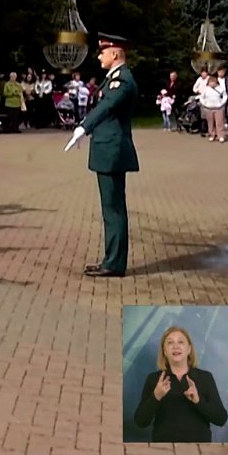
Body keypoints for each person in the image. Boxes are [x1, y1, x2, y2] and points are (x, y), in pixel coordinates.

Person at [65, 33, 139, 278]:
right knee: (110, 208)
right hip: (108, 149)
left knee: (114, 209)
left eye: (102, 52)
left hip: (112, 151)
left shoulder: (122, 80)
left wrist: (83, 127)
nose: (99, 56)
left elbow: (106, 106)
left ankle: (115, 263)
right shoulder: (113, 79)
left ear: (115, 54)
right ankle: (110, 259)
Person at [133, 326, 228, 442]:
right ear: (165, 351)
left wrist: (198, 401)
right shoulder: (154, 379)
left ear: (189, 349)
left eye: (181, 342)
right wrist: (156, 396)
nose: (175, 346)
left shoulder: (205, 377)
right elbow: (140, 422)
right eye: (170, 343)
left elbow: (221, 419)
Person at [198, 76, 228, 143]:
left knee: (219, 122)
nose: (212, 83)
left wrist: (221, 103)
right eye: (210, 82)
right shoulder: (205, 89)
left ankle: (221, 136)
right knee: (210, 122)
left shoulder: (220, 89)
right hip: (208, 108)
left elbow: (225, 96)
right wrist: (205, 104)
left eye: (213, 82)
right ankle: (212, 135)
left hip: (219, 108)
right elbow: (201, 98)